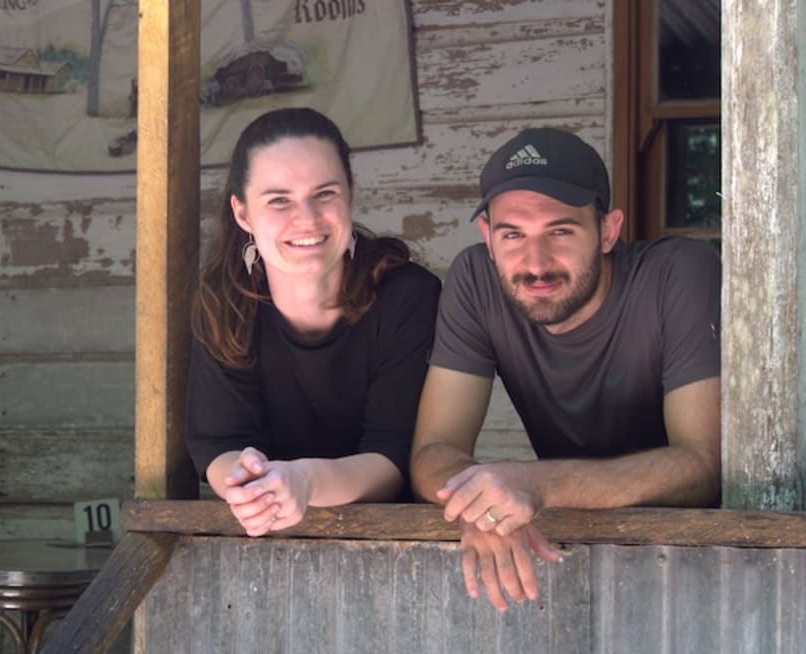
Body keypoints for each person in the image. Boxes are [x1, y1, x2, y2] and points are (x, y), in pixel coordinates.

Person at [410, 127, 721, 611]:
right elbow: (433, 451)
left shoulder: (680, 273)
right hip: (569, 568)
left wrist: (535, 485)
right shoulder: (475, 281)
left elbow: (703, 466)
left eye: (560, 231)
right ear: (489, 239)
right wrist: (480, 502)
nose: (536, 264)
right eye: (513, 234)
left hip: (703, 565)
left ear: (608, 231)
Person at [187, 107, 441, 537]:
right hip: (261, 545)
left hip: (393, 545)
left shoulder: (408, 297)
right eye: (279, 200)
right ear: (243, 213)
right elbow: (219, 444)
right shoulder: (223, 302)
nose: (305, 218)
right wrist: (247, 485)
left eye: (324, 194)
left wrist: (303, 483)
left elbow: (393, 458)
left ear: (350, 194)